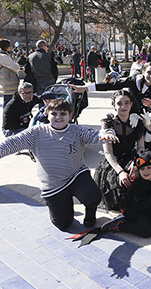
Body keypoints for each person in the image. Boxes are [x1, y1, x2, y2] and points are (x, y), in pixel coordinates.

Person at [0, 98, 117, 230]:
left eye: (63, 114)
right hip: (54, 186)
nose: (58, 117)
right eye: (54, 113)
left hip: (76, 175)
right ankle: (65, 207)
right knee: (62, 224)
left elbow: (97, 134)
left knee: (92, 195)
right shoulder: (35, 133)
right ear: (46, 114)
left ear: (70, 116)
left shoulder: (77, 131)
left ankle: (90, 214)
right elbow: (11, 143)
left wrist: (108, 132)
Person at [94, 90, 145, 211]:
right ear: (114, 106)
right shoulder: (108, 123)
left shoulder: (137, 122)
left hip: (131, 158)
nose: (123, 106)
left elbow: (141, 147)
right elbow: (108, 152)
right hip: (113, 162)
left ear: (131, 104)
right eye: (119, 103)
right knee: (119, 187)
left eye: (127, 103)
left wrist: (137, 161)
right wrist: (120, 171)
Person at [100, 150, 151, 237]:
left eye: (149, 168)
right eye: (142, 169)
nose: (145, 171)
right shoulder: (138, 184)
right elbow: (138, 206)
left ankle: (145, 222)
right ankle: (120, 224)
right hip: (134, 211)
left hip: (148, 208)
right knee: (147, 232)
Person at [72, 61, 151, 113]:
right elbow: (111, 85)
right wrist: (86, 88)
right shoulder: (134, 81)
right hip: (131, 115)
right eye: (148, 72)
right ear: (143, 72)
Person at [0, 38, 20, 109]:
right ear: (6, 47)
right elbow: (15, 67)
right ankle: (7, 119)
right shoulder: (3, 56)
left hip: (6, 82)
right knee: (9, 103)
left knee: (8, 102)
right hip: (9, 83)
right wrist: (17, 66)